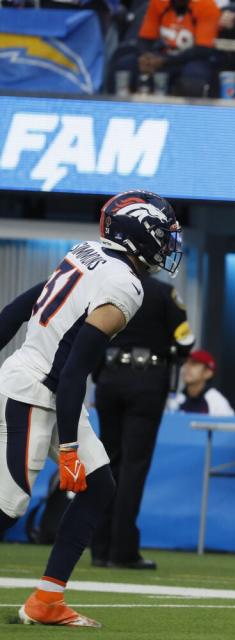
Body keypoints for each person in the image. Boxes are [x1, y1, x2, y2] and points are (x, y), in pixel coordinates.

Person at [0, 190, 182, 627]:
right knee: (7, 507)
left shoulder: (89, 252)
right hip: (34, 390)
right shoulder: (126, 284)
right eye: (162, 235)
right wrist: (67, 449)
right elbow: (74, 371)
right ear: (140, 233)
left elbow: (20, 308)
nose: (168, 245)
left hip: (47, 386)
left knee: (99, 487)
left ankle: (46, 601)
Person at [91, 272, 195, 570]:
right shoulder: (164, 292)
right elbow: (186, 340)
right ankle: (122, 551)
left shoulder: (108, 286)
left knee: (107, 462)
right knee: (133, 467)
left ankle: (99, 548)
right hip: (146, 381)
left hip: (109, 378)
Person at [107, 0, 220, 97]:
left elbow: (203, 50)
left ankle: (190, 117)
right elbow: (145, 40)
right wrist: (145, 57)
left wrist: (165, 61)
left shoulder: (207, 6)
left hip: (192, 59)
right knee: (125, 65)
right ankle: (115, 110)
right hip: (163, 56)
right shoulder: (159, 3)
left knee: (194, 76)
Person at [168, 350, 235, 416]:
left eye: (194, 364)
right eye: (186, 363)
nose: (187, 367)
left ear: (208, 373)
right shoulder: (176, 399)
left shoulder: (215, 400)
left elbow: (230, 425)